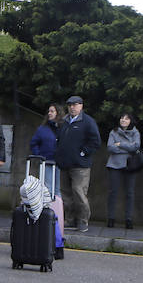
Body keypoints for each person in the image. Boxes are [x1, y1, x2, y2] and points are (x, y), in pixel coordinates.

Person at [56, 96, 101, 232]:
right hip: (64, 164)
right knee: (66, 195)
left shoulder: (88, 122)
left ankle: (82, 221)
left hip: (80, 166)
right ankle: (70, 220)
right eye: (70, 105)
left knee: (79, 193)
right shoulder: (64, 121)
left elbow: (95, 141)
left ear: (81, 106)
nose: (72, 107)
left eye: (75, 105)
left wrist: (84, 152)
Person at [105, 113, 140, 229]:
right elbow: (110, 147)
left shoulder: (135, 132)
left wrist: (120, 144)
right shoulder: (113, 132)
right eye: (122, 118)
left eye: (126, 118)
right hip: (114, 165)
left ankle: (128, 219)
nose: (123, 120)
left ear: (131, 121)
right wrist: (127, 147)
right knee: (112, 192)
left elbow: (136, 147)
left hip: (130, 165)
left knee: (130, 193)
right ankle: (111, 218)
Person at [29, 103, 64, 197]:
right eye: (49, 111)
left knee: (58, 190)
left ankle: (57, 210)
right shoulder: (42, 129)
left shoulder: (64, 128)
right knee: (47, 188)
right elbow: (34, 143)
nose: (49, 113)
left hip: (61, 163)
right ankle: (48, 210)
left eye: (52, 111)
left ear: (58, 113)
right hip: (47, 162)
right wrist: (39, 155)